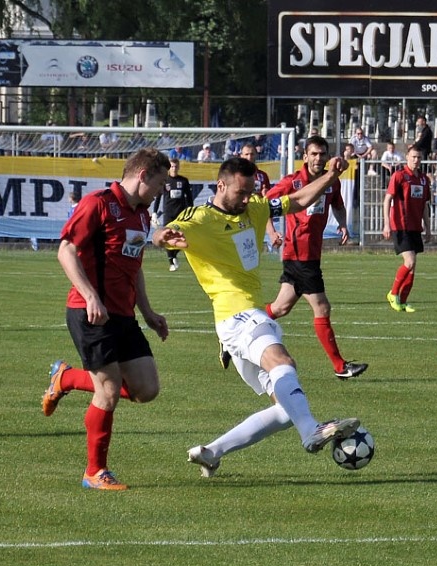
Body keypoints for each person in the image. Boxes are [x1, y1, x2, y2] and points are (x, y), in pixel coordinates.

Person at [151, 156, 360, 477]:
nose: (247, 199)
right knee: (284, 364)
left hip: (239, 326)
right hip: (236, 316)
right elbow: (167, 230)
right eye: (240, 192)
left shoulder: (257, 208)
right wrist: (163, 237)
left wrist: (332, 176)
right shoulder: (201, 216)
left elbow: (302, 198)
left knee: (285, 408)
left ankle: (212, 452)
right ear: (221, 185)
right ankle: (311, 432)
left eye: (251, 192)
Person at [40, 148, 175, 491]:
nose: (161, 190)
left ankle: (66, 378)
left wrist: (147, 311)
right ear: (143, 175)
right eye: (160, 182)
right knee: (110, 390)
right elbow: (66, 250)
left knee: (146, 389)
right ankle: (94, 472)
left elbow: (135, 266)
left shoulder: (142, 215)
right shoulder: (97, 203)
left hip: (123, 315)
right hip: (89, 313)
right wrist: (90, 296)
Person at [263, 135, 368, 380]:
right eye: (314, 154)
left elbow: (338, 206)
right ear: (305, 156)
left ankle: (240, 329)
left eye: (322, 154)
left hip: (310, 254)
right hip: (298, 254)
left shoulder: (331, 182)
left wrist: (342, 225)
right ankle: (340, 366)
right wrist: (272, 231)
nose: (318, 158)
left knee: (280, 307)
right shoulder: (292, 182)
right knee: (322, 307)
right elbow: (264, 204)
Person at [382, 146, 432, 313]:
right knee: (409, 262)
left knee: (413, 266)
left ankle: (403, 302)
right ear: (407, 157)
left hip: (415, 227)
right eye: (413, 157)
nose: (416, 160)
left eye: (418, 157)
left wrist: (428, 227)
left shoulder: (425, 179)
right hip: (400, 226)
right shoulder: (399, 176)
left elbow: (425, 205)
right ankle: (393, 293)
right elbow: (387, 200)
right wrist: (386, 224)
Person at [151, 158, 194, 271]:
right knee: (167, 236)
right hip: (168, 213)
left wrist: (191, 211)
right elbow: (159, 197)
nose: (174, 169)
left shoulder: (184, 181)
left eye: (176, 166)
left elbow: (189, 199)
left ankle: (174, 254)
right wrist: (154, 212)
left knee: (184, 236)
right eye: (172, 167)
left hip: (181, 213)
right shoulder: (165, 181)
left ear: (178, 167)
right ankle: (171, 260)